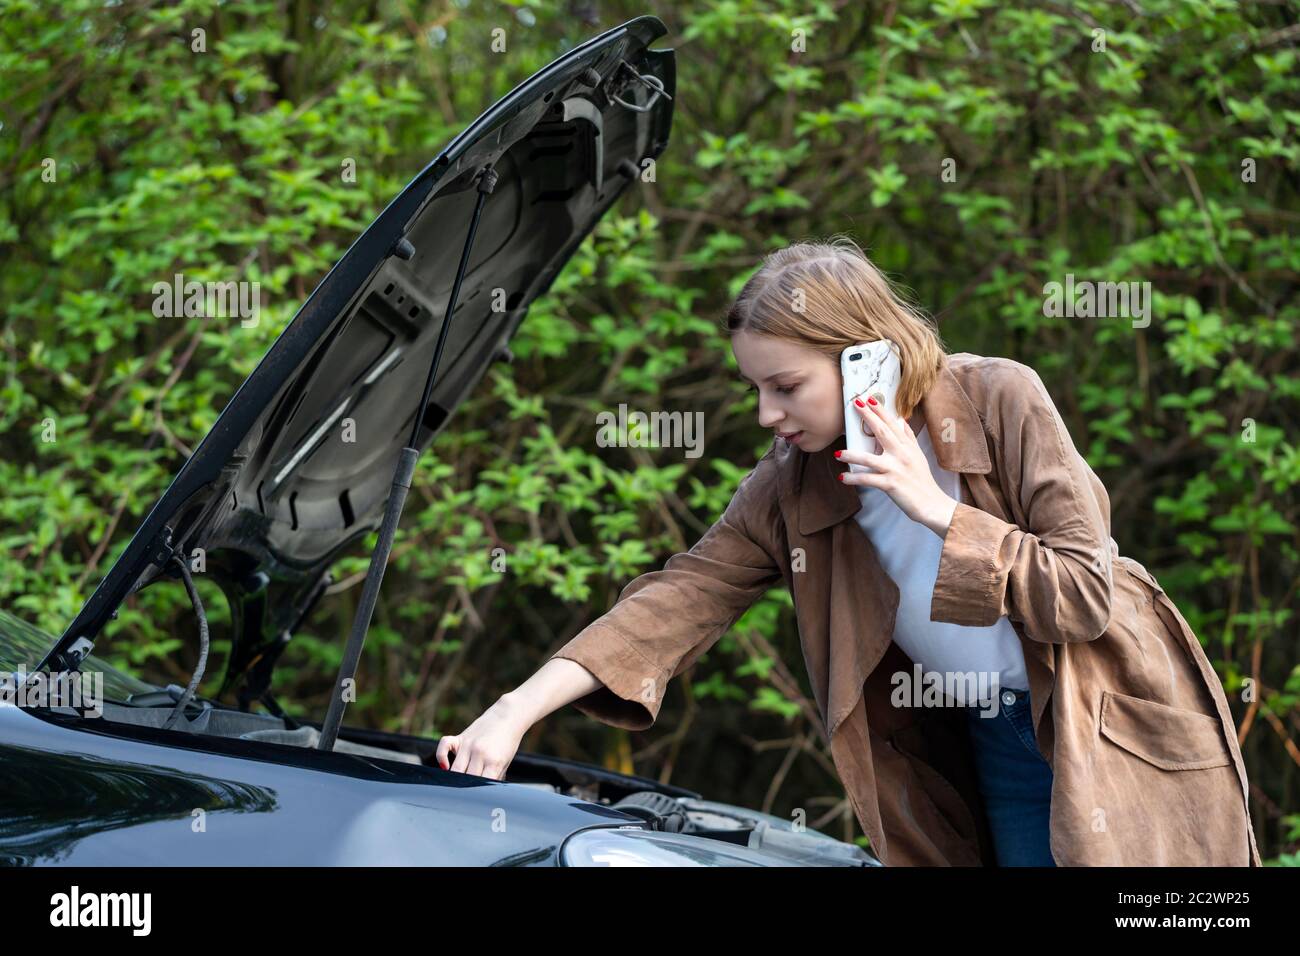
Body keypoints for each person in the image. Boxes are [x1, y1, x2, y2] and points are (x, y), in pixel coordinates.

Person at [436, 236, 1260, 867]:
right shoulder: (793, 481)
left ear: (866, 356)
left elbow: (1082, 594)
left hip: (1112, 729)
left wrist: (936, 510)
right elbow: (677, 598)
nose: (765, 414)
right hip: (986, 743)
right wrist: (513, 710)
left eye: (785, 386)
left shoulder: (1002, 397)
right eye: (753, 388)